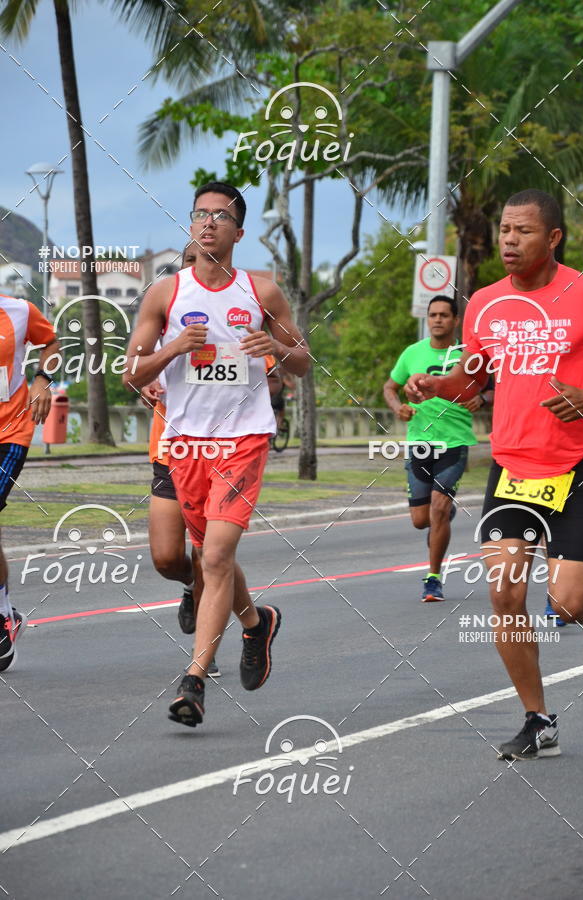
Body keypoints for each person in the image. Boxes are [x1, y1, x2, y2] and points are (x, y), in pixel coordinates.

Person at [405, 188, 583, 760]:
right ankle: (537, 719)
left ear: (554, 237)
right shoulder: (485, 302)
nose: (510, 241)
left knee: (563, 604)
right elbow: (473, 383)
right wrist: (435, 385)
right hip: (512, 466)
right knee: (506, 596)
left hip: (581, 465)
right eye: (505, 231)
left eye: (524, 231)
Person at [124, 181, 309, 728]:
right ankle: (256, 622)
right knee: (205, 556)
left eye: (220, 217)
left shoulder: (262, 293)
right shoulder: (165, 294)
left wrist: (276, 348)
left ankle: (195, 680)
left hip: (243, 438)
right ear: (190, 225)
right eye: (199, 215)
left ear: (238, 232)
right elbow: (132, 371)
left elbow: (302, 361)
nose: (208, 223)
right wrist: (171, 350)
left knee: (216, 558)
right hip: (184, 442)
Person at [142, 244, 221, 676]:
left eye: (203, 260)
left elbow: (270, 369)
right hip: (171, 450)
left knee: (211, 552)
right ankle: (190, 586)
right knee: (167, 559)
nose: (195, 268)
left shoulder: (236, 309)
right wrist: (149, 380)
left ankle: (203, 658)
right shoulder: (163, 312)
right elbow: (135, 369)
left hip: (222, 449)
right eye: (189, 260)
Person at [383, 295, 491, 602]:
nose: (438, 319)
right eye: (433, 315)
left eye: (445, 314)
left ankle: (433, 578)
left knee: (439, 509)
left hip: (454, 442)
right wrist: (397, 407)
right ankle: (442, 513)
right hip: (420, 444)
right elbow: (390, 387)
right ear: (428, 319)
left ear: (456, 320)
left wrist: (483, 398)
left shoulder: (468, 356)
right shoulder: (412, 353)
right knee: (421, 520)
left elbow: (496, 385)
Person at [0, 295, 58, 672]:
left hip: (10, 429)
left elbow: (51, 343)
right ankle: (4, 612)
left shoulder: (18, 309)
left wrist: (42, 379)